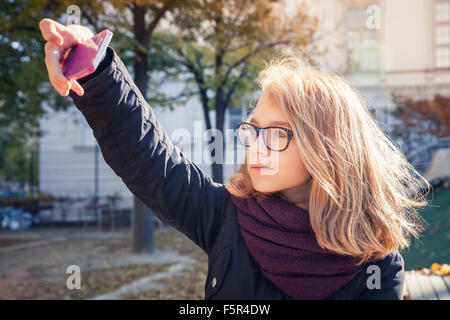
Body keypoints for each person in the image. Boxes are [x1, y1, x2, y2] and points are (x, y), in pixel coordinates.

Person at [39, 18, 431, 300]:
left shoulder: (376, 265)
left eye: (277, 134)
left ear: (327, 148)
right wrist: (95, 68)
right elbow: (148, 158)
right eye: (253, 130)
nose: (255, 146)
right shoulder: (227, 215)